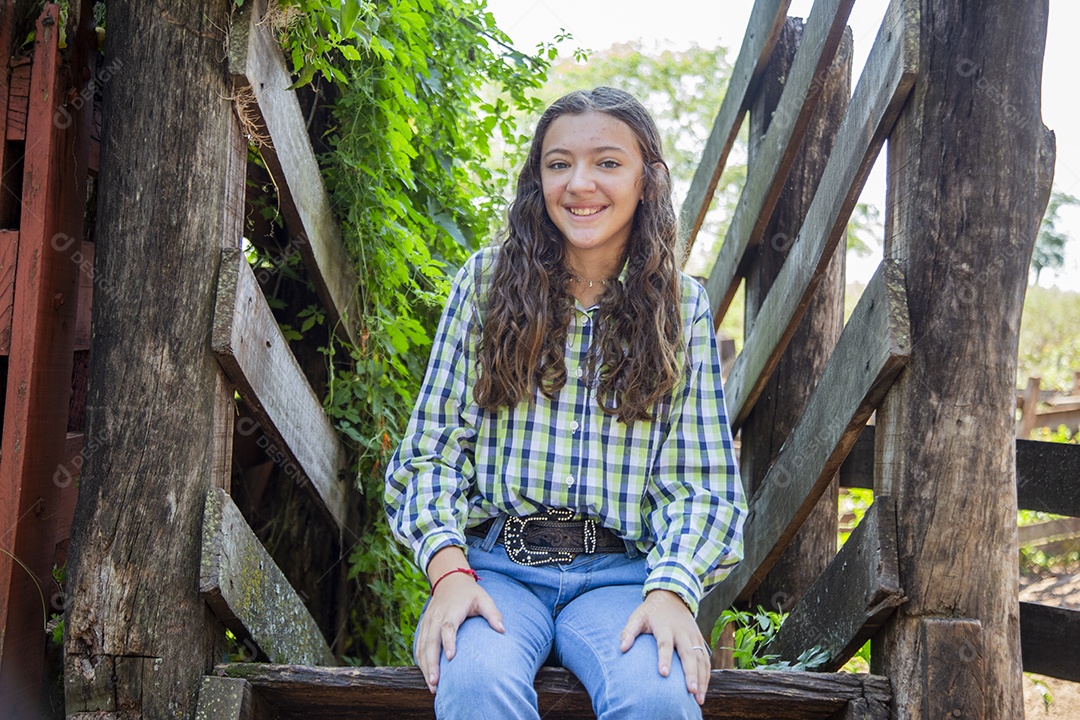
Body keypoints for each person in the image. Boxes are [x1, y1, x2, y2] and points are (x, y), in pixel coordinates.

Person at [385, 86, 746, 720]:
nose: (580, 183)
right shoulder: (485, 283)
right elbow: (428, 455)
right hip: (497, 569)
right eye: (558, 164)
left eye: (607, 162)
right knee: (471, 682)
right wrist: (448, 572)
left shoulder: (681, 308)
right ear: (537, 179)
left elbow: (703, 487)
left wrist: (671, 591)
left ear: (647, 180)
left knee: (658, 696)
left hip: (622, 580)